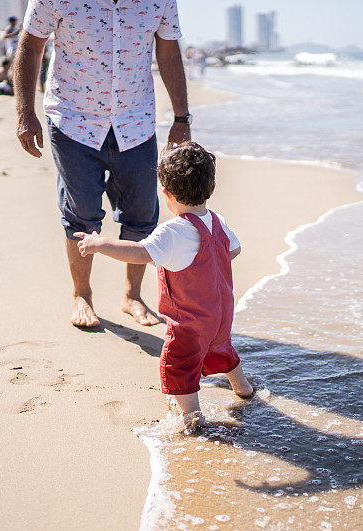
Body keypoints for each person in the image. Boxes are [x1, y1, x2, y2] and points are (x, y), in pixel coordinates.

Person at [14, 0, 190, 328]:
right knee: (80, 213)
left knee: (141, 214)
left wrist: (181, 117)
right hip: (72, 121)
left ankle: (132, 296)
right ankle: (82, 294)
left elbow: (168, 51)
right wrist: (25, 112)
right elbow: (31, 44)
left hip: (135, 122)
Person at [75, 142, 254, 429]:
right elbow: (233, 250)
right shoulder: (217, 221)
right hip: (220, 313)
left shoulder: (172, 233)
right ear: (211, 187)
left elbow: (139, 253)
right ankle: (243, 387)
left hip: (189, 320)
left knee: (179, 364)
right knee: (220, 346)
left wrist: (100, 244)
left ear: (166, 193)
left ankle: (192, 418)